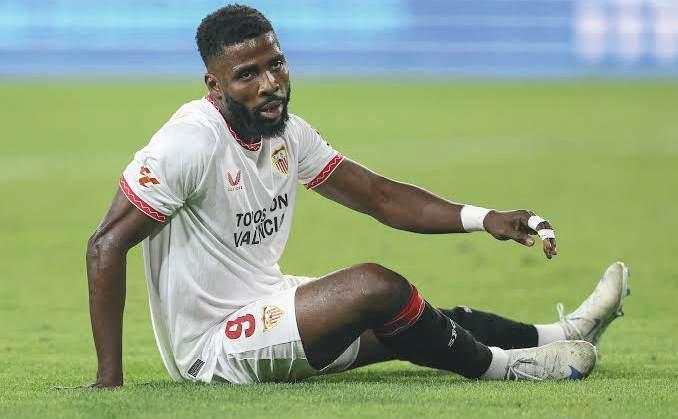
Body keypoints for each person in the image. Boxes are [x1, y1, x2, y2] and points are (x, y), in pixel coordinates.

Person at [85, 4, 630, 387]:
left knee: (417, 321)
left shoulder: (286, 133)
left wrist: (483, 217)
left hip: (264, 301)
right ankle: (507, 369)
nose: (270, 83)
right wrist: (110, 380)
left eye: (276, 64)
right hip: (213, 345)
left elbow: (378, 196)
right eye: (247, 75)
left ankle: (562, 332)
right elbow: (105, 245)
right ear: (214, 85)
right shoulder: (189, 143)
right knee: (375, 287)